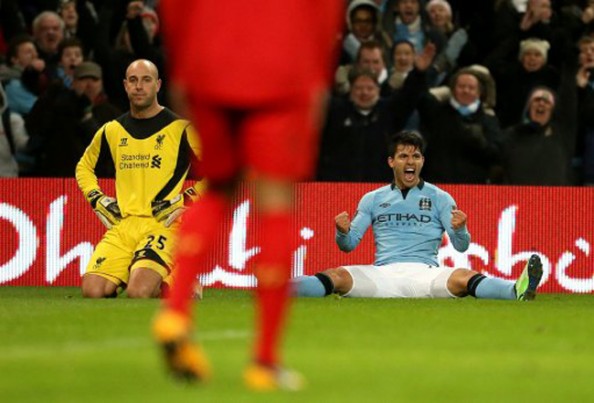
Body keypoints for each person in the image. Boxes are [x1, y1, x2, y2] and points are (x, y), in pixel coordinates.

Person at [153, 0, 344, 391]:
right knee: (275, 203)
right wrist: (318, 79)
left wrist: (182, 68)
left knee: (217, 189)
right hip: (282, 67)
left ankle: (175, 312)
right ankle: (264, 361)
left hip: (207, 60)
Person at [294, 130, 543, 301]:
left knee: (464, 277)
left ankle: (515, 291)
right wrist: (342, 232)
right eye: (403, 156)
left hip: (427, 274)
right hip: (382, 276)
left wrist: (460, 229)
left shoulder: (440, 198)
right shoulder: (373, 199)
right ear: (391, 162)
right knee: (336, 276)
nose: (410, 161)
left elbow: (461, 246)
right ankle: (281, 288)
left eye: (415, 156)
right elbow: (348, 246)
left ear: (422, 161)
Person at [75, 59, 204, 298]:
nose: (139, 86)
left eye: (146, 80)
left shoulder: (181, 129)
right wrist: (96, 198)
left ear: (158, 85)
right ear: (125, 85)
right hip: (123, 225)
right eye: (133, 80)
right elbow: (83, 167)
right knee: (93, 291)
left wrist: (187, 199)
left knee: (138, 291)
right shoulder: (112, 130)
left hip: (162, 224)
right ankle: (143, 271)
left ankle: (182, 277)